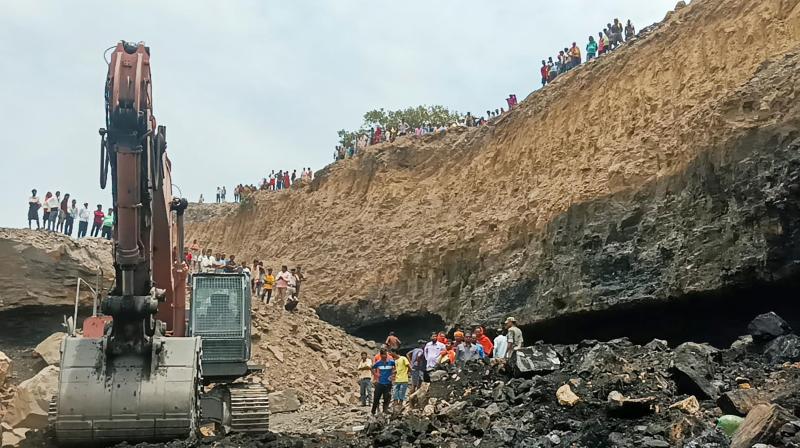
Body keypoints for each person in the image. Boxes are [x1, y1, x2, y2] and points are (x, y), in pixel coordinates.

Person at [371, 349, 396, 415]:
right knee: (376, 398)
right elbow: (372, 368)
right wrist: (376, 374)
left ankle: (385, 411)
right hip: (380, 383)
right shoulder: (378, 363)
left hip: (388, 383)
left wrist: (393, 374)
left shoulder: (391, 362)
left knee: (386, 398)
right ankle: (373, 412)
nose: (384, 356)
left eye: (385, 354)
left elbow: (397, 366)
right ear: (381, 355)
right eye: (383, 355)